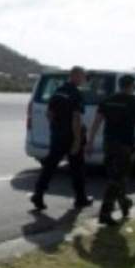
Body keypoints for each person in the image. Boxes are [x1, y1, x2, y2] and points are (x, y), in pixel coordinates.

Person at [87, 75, 135, 226]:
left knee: (117, 178)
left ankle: (124, 204)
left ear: (120, 85)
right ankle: (105, 213)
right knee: (117, 179)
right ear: (131, 86)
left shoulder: (107, 101)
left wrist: (89, 142)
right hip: (125, 146)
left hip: (109, 144)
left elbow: (96, 123)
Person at [30, 66, 91, 210]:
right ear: (76, 76)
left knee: (50, 166)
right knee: (77, 167)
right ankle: (80, 199)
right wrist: (76, 140)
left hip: (58, 135)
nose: (84, 80)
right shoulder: (76, 94)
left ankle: (38, 194)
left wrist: (55, 128)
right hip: (71, 136)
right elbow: (76, 119)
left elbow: (49, 113)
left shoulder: (58, 91)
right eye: (83, 77)